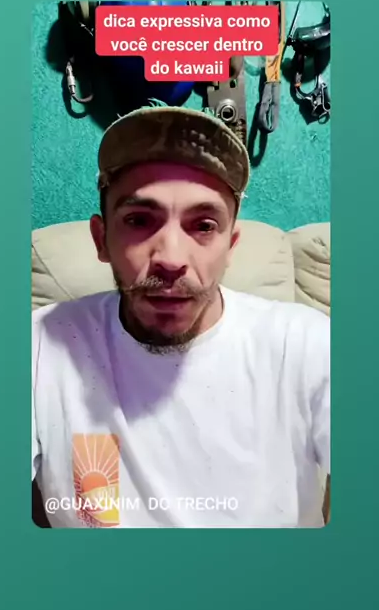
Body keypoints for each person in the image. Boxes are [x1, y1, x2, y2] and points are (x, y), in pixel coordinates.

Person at [32, 105, 330, 529]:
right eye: (139, 220)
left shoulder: (308, 346)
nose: (171, 259)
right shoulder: (39, 346)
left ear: (230, 245)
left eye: (204, 226)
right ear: (101, 239)